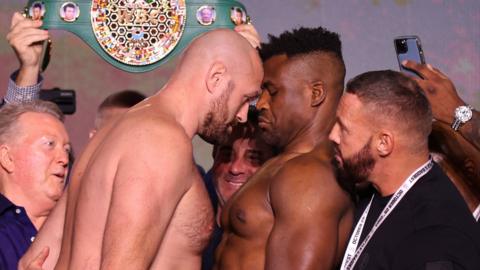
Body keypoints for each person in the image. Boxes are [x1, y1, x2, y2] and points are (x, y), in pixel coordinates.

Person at [19, 29, 263, 270]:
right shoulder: (162, 141)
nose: (243, 116)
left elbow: (33, 262)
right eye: (244, 98)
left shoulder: (109, 134)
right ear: (216, 77)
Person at [214, 27, 355, 270]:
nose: (262, 104)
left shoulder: (309, 177)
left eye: (273, 91)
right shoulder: (285, 164)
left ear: (316, 93)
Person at [330, 70, 480, 270]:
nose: (332, 136)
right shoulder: (375, 191)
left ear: (384, 143)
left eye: (343, 129)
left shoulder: (435, 240)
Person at [0, 101, 70, 270]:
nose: (64, 159)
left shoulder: (79, 228)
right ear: (7, 158)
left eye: (67, 149)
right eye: (49, 144)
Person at [202, 110, 275, 270]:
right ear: (214, 156)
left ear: (273, 165)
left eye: (253, 158)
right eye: (227, 155)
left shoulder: (279, 235)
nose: (235, 168)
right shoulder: (190, 201)